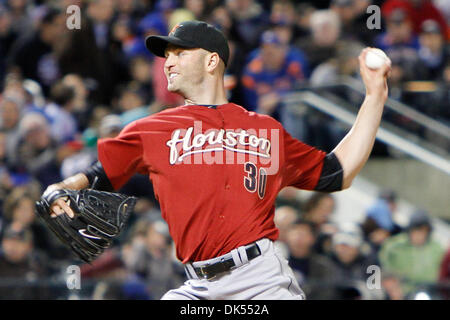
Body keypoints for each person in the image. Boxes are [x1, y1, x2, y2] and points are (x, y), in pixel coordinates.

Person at [42, 20, 391, 300]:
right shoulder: (152, 129)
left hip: (261, 281)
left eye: (179, 52)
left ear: (211, 61)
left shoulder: (264, 129)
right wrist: (60, 188)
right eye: (167, 55)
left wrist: (375, 98)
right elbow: (99, 175)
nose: (169, 61)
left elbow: (337, 172)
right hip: (197, 286)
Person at [379, 209, 446, 296]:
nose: (420, 235)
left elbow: (443, 272)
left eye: (424, 231)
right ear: (410, 230)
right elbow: (381, 267)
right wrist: (391, 285)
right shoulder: (394, 246)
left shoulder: (437, 249)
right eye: (417, 230)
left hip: (429, 292)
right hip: (401, 291)